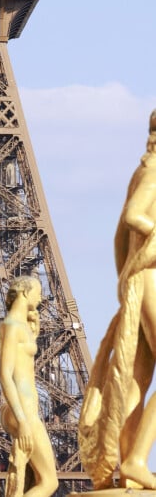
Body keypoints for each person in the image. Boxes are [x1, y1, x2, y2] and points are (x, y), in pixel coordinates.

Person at [79, 110, 156, 490]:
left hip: (138, 279)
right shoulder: (155, 171)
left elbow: (115, 239)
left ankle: (123, 458)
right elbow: (133, 216)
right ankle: (138, 459)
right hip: (150, 277)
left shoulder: (143, 169)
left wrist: (123, 278)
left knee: (136, 379)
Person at [0, 276, 58, 497]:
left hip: (23, 409)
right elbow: (5, 375)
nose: (41, 297)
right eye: (38, 292)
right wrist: (23, 421)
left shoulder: (18, 324)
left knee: (34, 480)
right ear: (25, 292)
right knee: (49, 481)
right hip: (23, 411)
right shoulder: (12, 325)